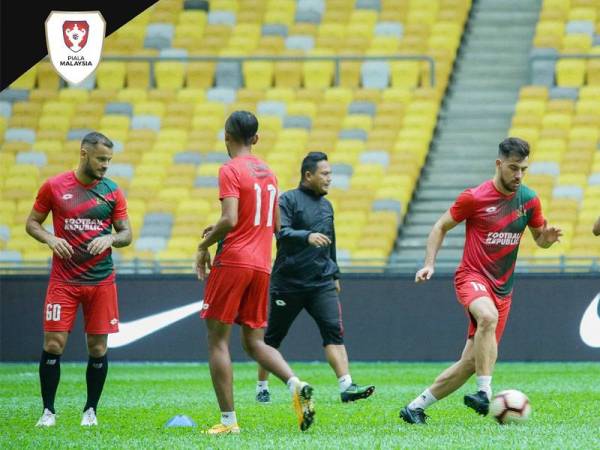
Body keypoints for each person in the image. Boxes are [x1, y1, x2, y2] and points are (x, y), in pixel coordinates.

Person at [400, 137, 562, 425]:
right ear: (499, 164)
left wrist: (545, 241)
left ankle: (414, 408)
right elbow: (440, 226)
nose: (519, 175)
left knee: (471, 363)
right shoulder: (474, 197)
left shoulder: (529, 200)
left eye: (523, 169)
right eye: (513, 168)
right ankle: (484, 393)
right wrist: (429, 263)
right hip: (472, 278)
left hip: (503, 290)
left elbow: (539, 239)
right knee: (487, 316)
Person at [195, 111, 315, 435]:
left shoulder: (230, 169)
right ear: (256, 139)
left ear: (226, 137)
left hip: (233, 261)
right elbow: (275, 225)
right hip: (262, 264)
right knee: (254, 342)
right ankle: (295, 384)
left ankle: (228, 422)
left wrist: (204, 243)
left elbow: (231, 219)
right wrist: (223, 227)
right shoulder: (270, 173)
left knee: (218, 342)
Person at [25, 132, 131, 427]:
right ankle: (48, 411)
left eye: (109, 160)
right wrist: (49, 237)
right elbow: (32, 223)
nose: (106, 165)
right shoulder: (54, 187)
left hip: (101, 282)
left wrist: (110, 239)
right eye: (101, 159)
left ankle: (90, 411)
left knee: (98, 349)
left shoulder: (112, 191)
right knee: (54, 344)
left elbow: (126, 234)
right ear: (84, 154)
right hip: (64, 281)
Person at [254, 152, 375, 404]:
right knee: (272, 338)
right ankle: (262, 386)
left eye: (330, 174)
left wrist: (335, 274)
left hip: (321, 282)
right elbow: (281, 232)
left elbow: (331, 243)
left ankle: (346, 386)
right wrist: (306, 236)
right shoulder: (288, 200)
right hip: (288, 283)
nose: (330, 179)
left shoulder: (327, 206)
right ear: (308, 175)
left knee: (334, 333)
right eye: (325, 174)